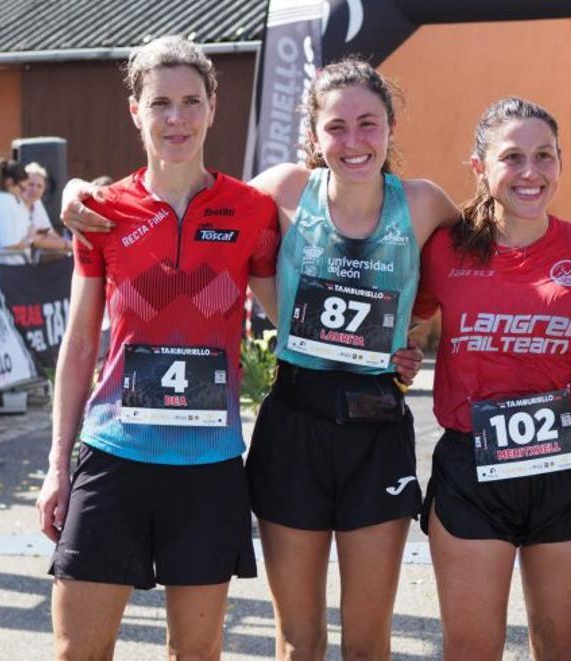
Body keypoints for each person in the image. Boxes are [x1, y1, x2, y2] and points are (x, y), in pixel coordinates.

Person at [61, 57, 451, 660]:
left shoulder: (415, 203)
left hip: (354, 428)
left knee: (361, 642)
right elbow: (88, 327)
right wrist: (73, 191)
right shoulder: (271, 193)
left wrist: (412, 330)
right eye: (336, 126)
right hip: (249, 425)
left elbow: (476, 260)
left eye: (368, 123)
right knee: (297, 640)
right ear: (314, 136)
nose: (353, 140)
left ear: (392, 127)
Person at [35, 36, 280, 660]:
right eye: (161, 103)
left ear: (213, 108)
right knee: (77, 652)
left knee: (195, 653)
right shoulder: (101, 210)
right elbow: (82, 339)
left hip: (209, 464)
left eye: (191, 101)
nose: (177, 118)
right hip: (114, 454)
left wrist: (385, 349)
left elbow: (288, 313)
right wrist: (58, 463)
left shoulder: (251, 209)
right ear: (136, 112)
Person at [410, 97, 571, 659]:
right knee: (471, 647)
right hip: (471, 469)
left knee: (561, 645)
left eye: (544, 156)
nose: (530, 172)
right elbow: (395, 331)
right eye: (512, 157)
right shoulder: (443, 251)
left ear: (559, 163)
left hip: (565, 470)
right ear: (480, 167)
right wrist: (395, 361)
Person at [22, 162, 72, 254]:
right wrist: (67, 245)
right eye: (31, 184)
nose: (35, 189)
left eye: (39, 186)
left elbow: (49, 232)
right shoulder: (15, 204)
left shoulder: (37, 202)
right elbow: (35, 241)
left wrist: (69, 247)